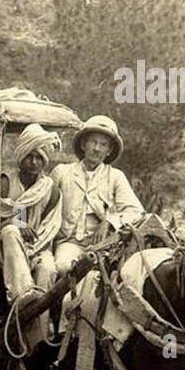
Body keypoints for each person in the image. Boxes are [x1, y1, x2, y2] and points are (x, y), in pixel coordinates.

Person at [0, 123, 62, 349]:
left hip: (38, 249)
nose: (34, 162)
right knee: (10, 231)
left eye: (39, 157)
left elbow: (48, 231)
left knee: (48, 267)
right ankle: (22, 296)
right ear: (20, 156)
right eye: (29, 156)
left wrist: (34, 247)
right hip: (3, 250)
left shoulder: (50, 190)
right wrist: (13, 224)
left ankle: (37, 340)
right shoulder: (6, 184)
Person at [50, 115, 145, 276]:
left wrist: (110, 221)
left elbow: (136, 211)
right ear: (83, 144)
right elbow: (36, 201)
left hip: (103, 247)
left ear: (109, 151)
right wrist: (22, 224)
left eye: (103, 144)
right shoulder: (62, 172)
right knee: (64, 268)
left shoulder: (115, 176)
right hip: (69, 244)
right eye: (93, 142)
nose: (97, 148)